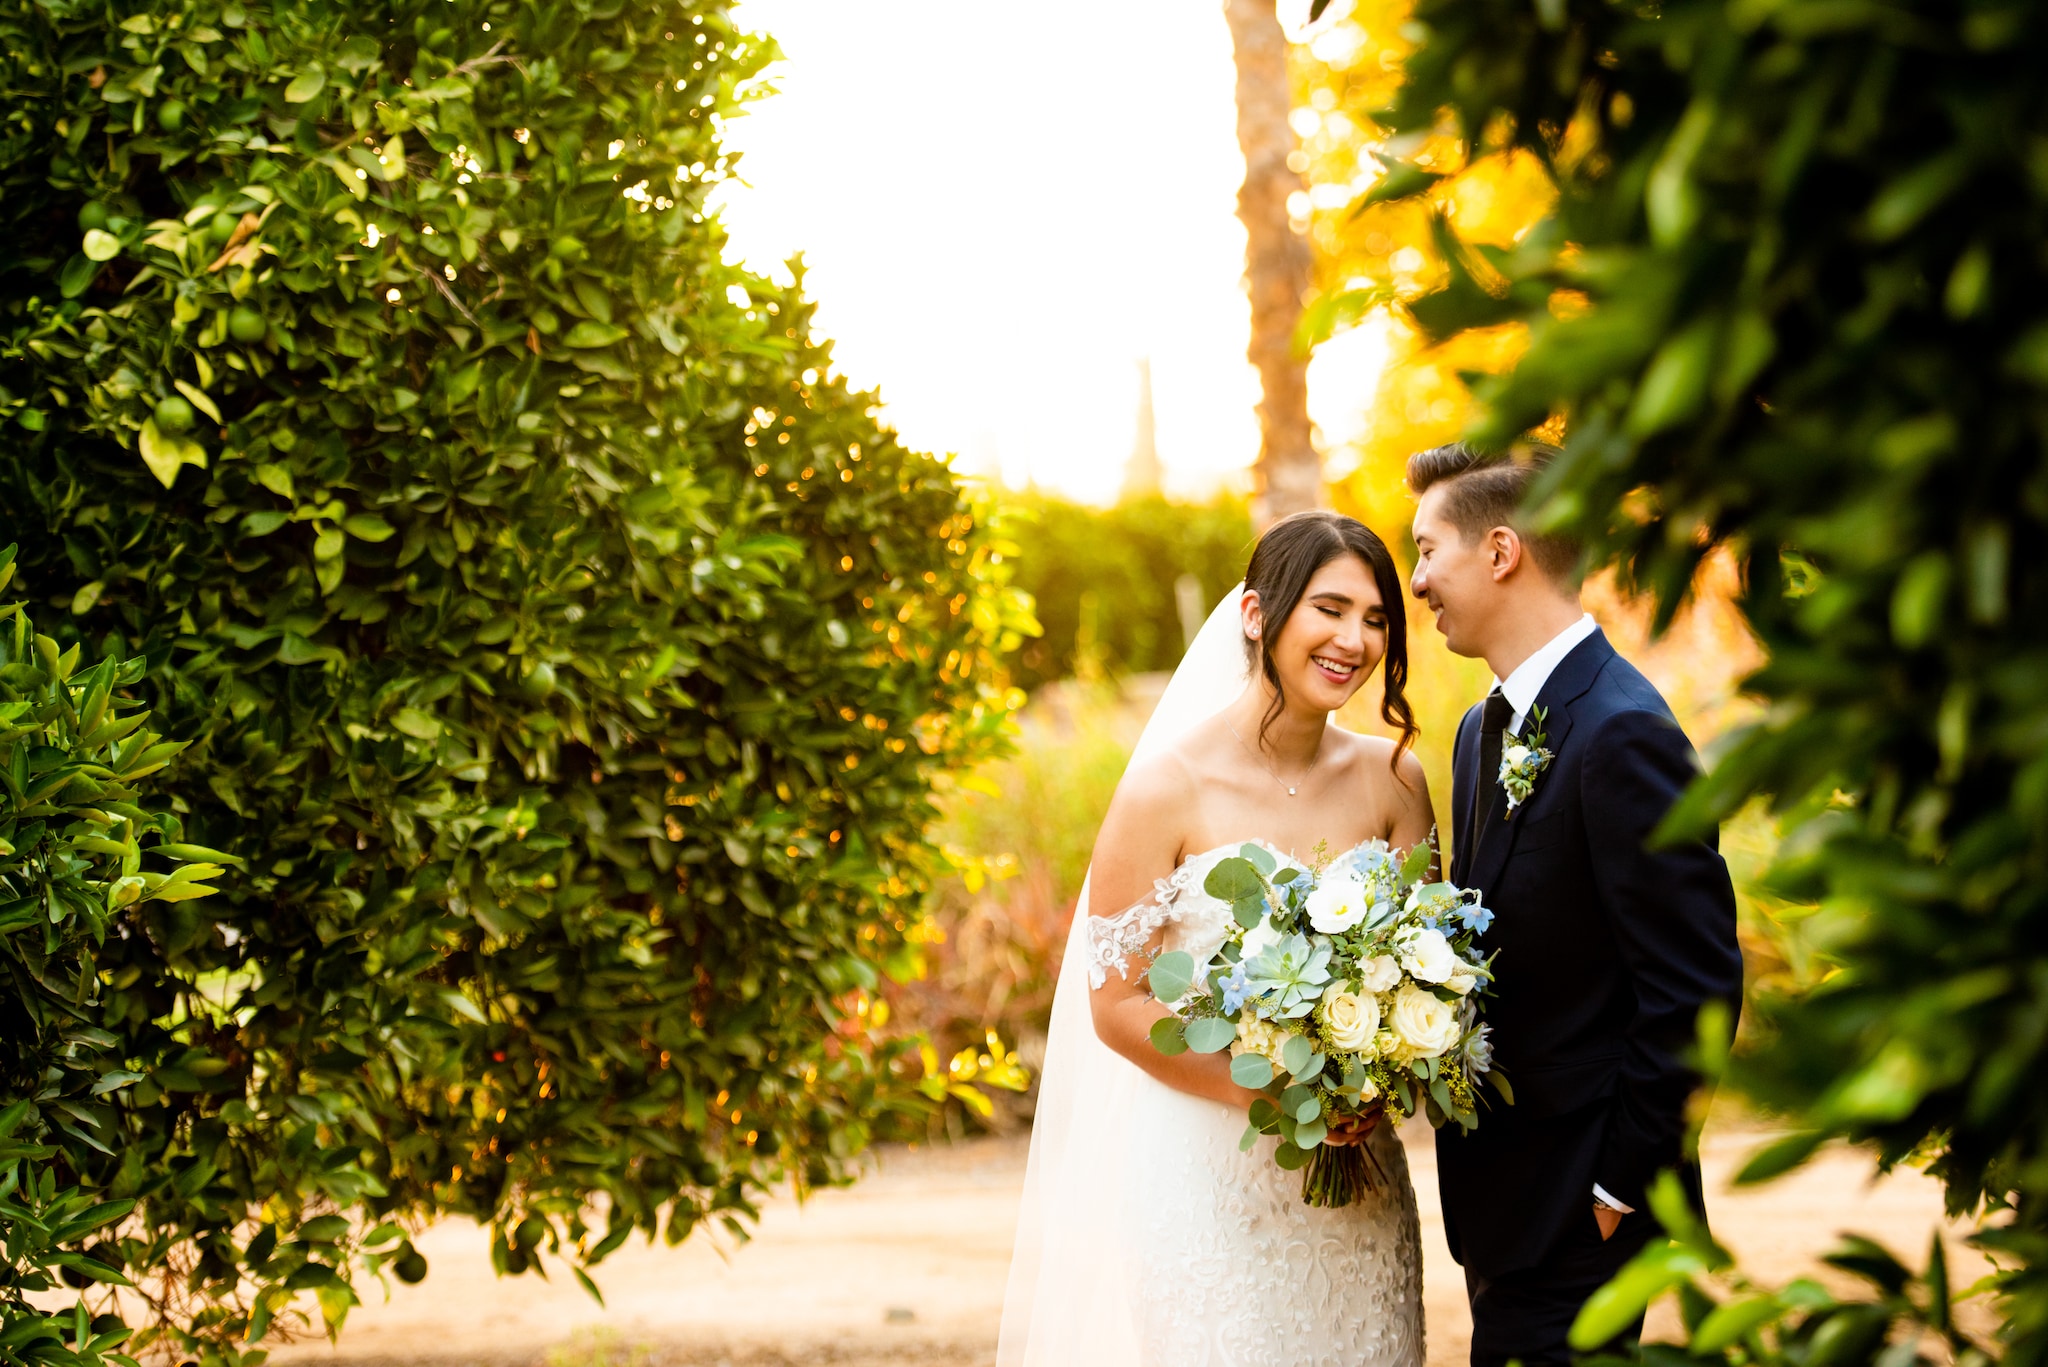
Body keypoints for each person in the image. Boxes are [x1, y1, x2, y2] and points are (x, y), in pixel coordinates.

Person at [997, 510, 1434, 1367]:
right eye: (1330, 608)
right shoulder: (1166, 786)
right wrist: (1259, 1092)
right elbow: (1116, 1003)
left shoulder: (1395, 777)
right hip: (1207, 1182)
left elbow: (1423, 965)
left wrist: (1382, 1069)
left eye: (1377, 618)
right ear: (1255, 614)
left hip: (1359, 1188)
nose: (1355, 638)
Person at [1408, 441, 1744, 1367]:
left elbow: (1693, 990)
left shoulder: (1623, 729)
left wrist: (1614, 1192)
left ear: (1502, 550)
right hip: (1500, 1205)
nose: (1418, 579)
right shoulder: (1482, 729)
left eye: (1428, 549)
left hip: (1580, 1212)